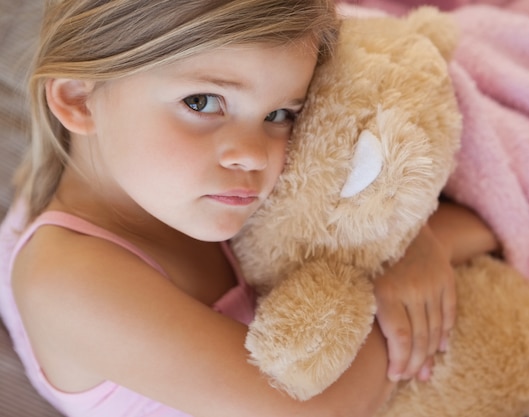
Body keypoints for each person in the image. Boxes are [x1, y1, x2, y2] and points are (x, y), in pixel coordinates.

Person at [0, 1, 499, 416]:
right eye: (202, 102)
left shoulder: (168, 183)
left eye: (280, 114)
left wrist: (411, 239)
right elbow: (315, 407)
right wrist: (400, 262)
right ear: (78, 100)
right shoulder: (69, 281)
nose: (256, 154)